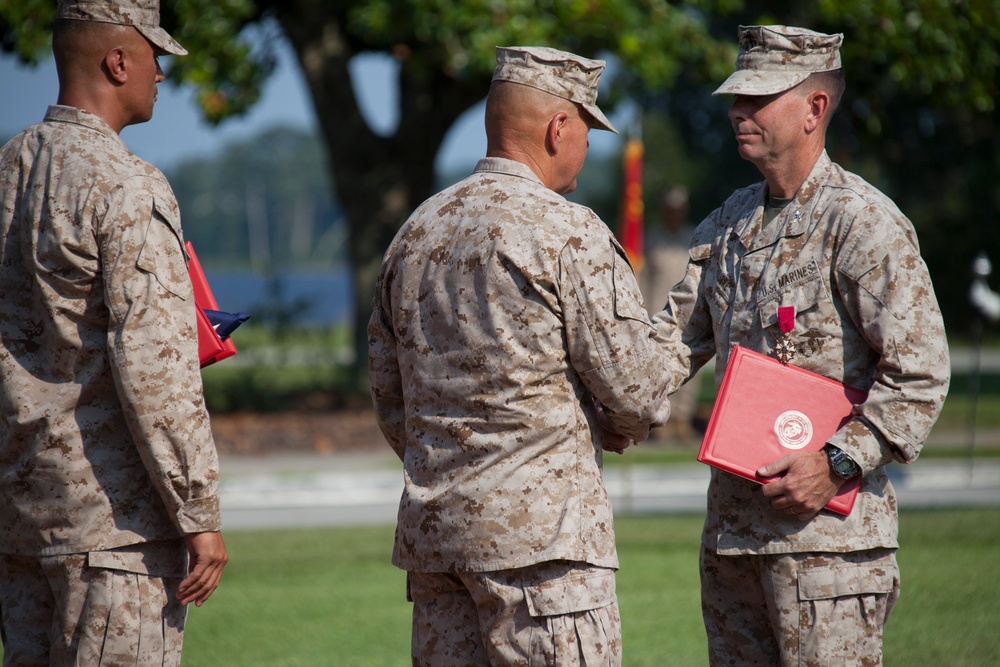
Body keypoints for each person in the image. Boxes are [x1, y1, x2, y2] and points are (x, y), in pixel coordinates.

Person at [368, 46, 678, 666]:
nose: (588, 147)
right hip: (545, 556)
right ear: (558, 128)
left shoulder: (417, 230)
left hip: (440, 545)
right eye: (587, 129)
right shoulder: (567, 230)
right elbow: (636, 390)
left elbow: (389, 397)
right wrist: (621, 422)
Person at [654, 25, 950, 665]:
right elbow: (666, 350)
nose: (738, 110)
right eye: (737, 97)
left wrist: (839, 462)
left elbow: (920, 374)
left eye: (759, 97)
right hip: (735, 547)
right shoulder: (727, 224)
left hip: (829, 551)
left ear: (815, 108)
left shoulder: (862, 223)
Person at [0, 1, 228, 665]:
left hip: (19, 516)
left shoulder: (8, 172)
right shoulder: (126, 184)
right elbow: (155, 368)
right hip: (113, 528)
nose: (161, 74)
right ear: (116, 61)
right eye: (154, 55)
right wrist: (198, 512)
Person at [639, 186, 700, 440]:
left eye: (678, 210)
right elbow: (641, 277)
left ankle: (683, 419)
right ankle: (660, 421)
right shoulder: (652, 239)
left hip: (689, 313)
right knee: (657, 366)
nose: (673, 214)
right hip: (657, 312)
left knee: (688, 363)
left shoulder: (694, 236)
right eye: (669, 210)